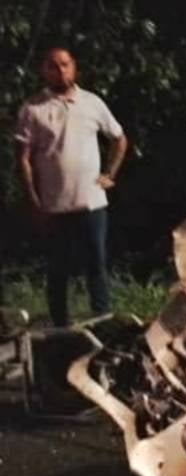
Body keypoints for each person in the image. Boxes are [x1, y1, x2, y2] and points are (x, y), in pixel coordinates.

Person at [13, 45, 128, 327]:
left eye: (65, 64)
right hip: (54, 205)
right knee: (58, 270)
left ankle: (102, 323)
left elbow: (119, 138)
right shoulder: (33, 109)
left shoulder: (92, 102)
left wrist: (109, 173)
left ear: (74, 67)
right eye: (53, 65)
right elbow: (23, 159)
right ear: (44, 70)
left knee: (96, 264)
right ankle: (59, 327)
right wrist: (33, 200)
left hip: (91, 201)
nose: (60, 71)